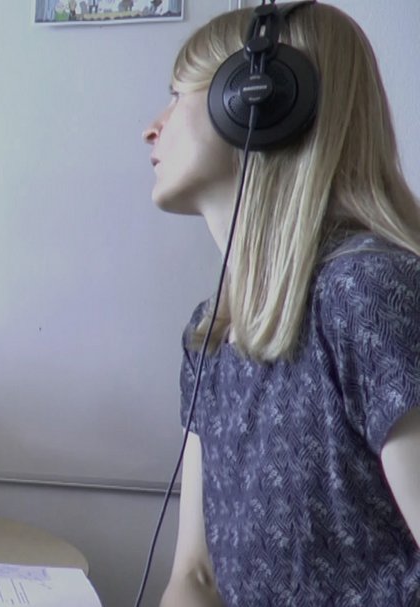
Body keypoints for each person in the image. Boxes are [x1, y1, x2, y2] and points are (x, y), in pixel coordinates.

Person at [142, 3, 420, 605]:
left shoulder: (371, 297)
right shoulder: (210, 334)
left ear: (259, 101)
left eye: (175, 96)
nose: (151, 127)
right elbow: (197, 576)